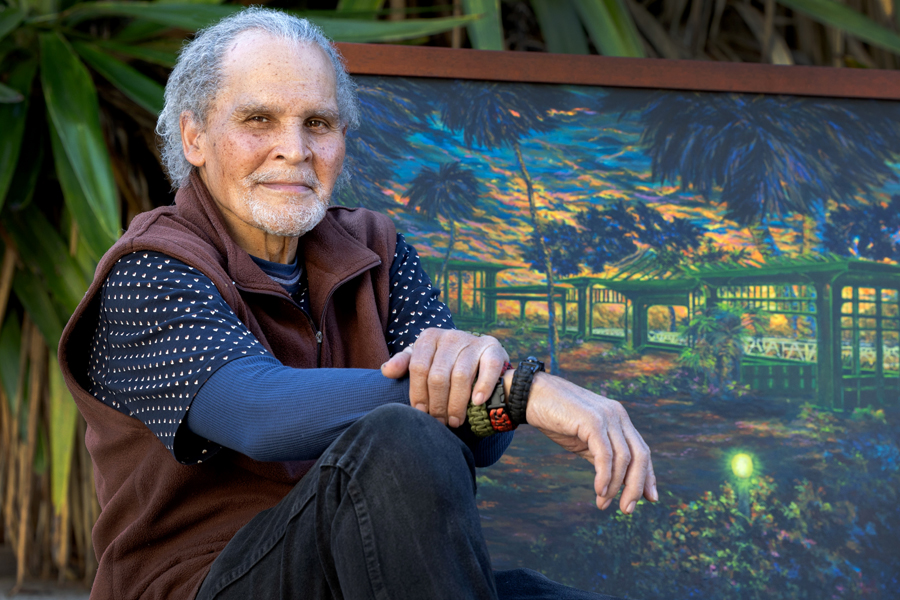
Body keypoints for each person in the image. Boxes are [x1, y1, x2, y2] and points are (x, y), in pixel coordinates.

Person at [58, 8, 657, 600]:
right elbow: (257, 415)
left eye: (317, 123)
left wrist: (488, 391)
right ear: (195, 137)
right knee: (403, 437)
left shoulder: (376, 249)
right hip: (204, 583)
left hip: (366, 567)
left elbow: (476, 434)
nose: (293, 149)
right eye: (259, 120)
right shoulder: (150, 268)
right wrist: (522, 391)